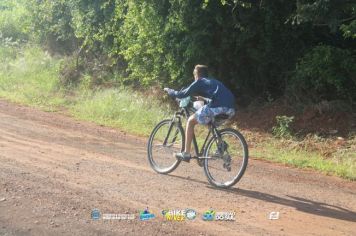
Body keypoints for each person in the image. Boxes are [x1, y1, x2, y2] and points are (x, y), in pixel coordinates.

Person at [164, 64, 236, 162]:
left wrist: (170, 91)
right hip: (231, 108)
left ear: (197, 74)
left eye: (194, 74)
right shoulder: (213, 82)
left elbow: (182, 94)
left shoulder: (199, 81)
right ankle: (221, 145)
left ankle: (186, 153)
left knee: (190, 121)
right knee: (209, 122)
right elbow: (219, 96)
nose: (194, 77)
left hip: (218, 106)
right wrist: (203, 98)